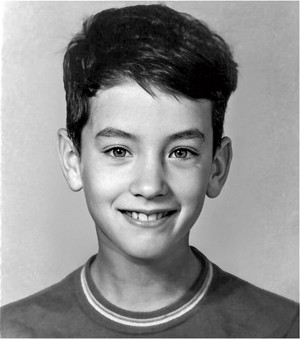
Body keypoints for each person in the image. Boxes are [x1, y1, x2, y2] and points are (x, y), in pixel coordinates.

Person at [1, 4, 298, 338]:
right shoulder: (13, 331)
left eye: (181, 152)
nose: (150, 185)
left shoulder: (283, 328)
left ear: (217, 167)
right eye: (118, 151)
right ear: (73, 160)